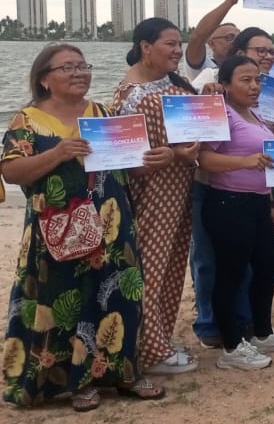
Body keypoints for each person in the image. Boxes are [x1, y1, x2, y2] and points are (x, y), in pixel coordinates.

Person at [2, 44, 167, 410]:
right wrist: (58, 153)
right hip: (55, 230)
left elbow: (131, 166)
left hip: (111, 225)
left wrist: (157, 158)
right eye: (67, 68)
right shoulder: (27, 120)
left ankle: (123, 374)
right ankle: (74, 383)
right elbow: (12, 171)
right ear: (44, 78)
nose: (79, 73)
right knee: (62, 301)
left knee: (120, 297)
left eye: (83, 66)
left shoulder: (103, 113)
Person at [197, 56, 274, 370]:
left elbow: (266, 160)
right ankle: (230, 347)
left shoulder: (256, 114)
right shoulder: (223, 115)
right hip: (228, 202)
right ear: (225, 84)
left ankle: (262, 331)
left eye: (257, 79)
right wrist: (243, 163)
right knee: (231, 274)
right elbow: (202, 159)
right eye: (245, 79)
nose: (254, 86)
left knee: (269, 265)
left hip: (256, 203)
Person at [111, 18, 201, 374]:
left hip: (180, 187)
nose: (178, 50)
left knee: (172, 266)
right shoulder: (128, 94)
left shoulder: (172, 82)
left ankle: (159, 337)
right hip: (150, 193)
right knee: (148, 266)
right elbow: (123, 156)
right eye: (170, 44)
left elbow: (194, 131)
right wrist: (173, 155)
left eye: (180, 44)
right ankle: (146, 350)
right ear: (145, 47)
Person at [185, 0, 274, 90]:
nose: (235, 41)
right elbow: (197, 38)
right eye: (229, 37)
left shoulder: (266, 71)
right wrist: (230, 1)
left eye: (271, 51)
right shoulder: (210, 73)